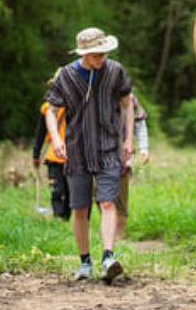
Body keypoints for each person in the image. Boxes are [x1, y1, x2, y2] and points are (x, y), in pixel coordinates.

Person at [45, 27, 134, 283]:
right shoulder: (66, 75)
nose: (100, 58)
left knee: (107, 202)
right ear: (84, 54)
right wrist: (57, 138)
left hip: (108, 147)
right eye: (95, 55)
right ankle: (85, 263)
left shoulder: (115, 71)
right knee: (80, 208)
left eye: (103, 53)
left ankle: (108, 258)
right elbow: (51, 110)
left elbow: (127, 104)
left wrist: (128, 139)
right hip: (77, 149)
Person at [32, 75, 70, 220]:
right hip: (53, 156)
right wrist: (36, 154)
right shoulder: (47, 108)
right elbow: (40, 133)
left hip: (73, 156)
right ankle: (58, 218)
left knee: (70, 191)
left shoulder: (76, 106)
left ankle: (66, 218)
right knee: (57, 189)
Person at [114, 92, 150, 238]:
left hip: (122, 156)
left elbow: (140, 124)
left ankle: (118, 237)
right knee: (99, 196)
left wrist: (144, 148)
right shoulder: (93, 92)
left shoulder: (130, 98)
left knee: (121, 198)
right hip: (97, 157)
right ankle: (110, 232)